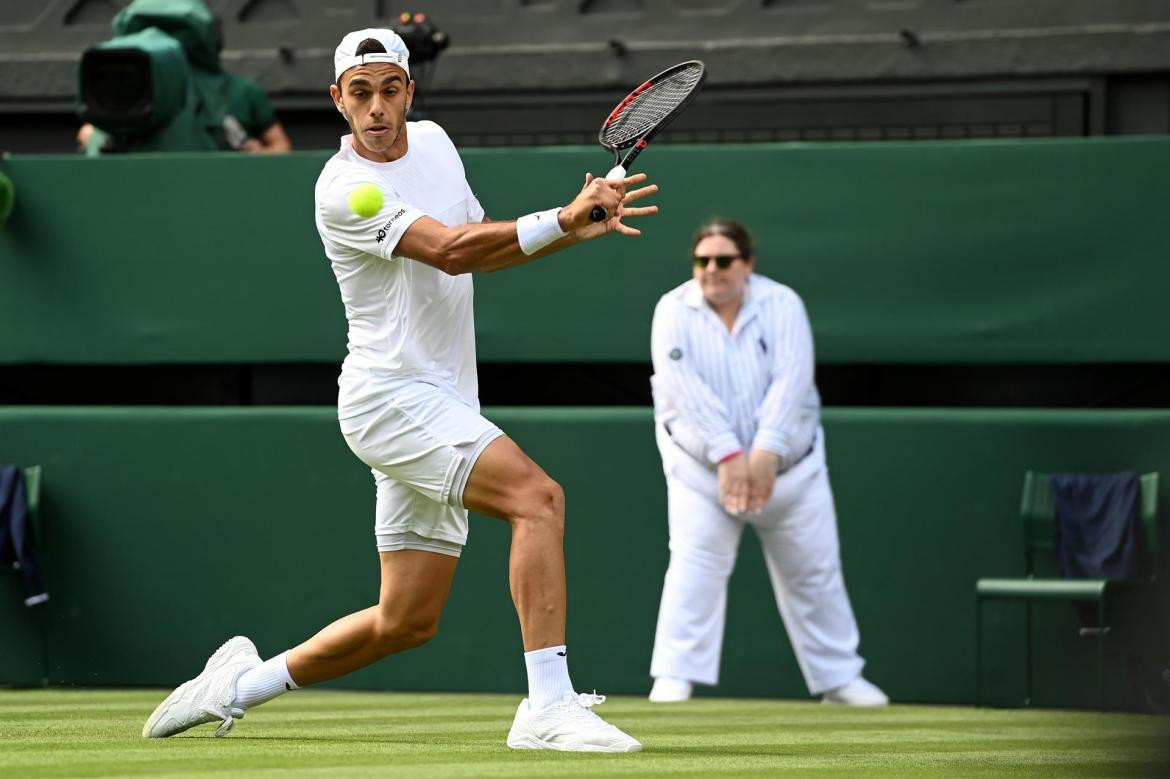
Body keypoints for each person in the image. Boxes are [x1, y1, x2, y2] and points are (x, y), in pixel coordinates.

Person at [141, 28, 656, 752]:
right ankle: (547, 705)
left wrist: (575, 226)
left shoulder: (438, 144)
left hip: (443, 397)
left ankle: (236, 684)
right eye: (360, 93)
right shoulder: (343, 187)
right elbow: (448, 252)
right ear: (337, 101)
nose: (377, 107)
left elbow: (485, 246)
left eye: (390, 89)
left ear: (411, 92)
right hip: (389, 399)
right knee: (538, 499)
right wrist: (564, 218)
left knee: (404, 620)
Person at [646, 218, 888, 707]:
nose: (712, 269)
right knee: (694, 569)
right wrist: (728, 453)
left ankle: (840, 679)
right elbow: (680, 387)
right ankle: (674, 678)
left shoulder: (783, 304)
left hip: (792, 473)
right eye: (702, 260)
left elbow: (793, 378)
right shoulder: (671, 309)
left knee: (815, 572)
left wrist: (765, 452)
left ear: (748, 264)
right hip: (701, 477)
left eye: (724, 260)